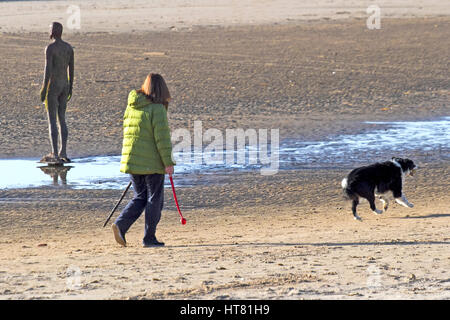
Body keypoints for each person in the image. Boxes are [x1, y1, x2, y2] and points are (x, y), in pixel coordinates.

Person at [112, 73, 176, 248]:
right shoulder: (157, 110)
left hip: (132, 159)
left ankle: (121, 225)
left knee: (140, 197)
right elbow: (162, 139)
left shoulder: (132, 107)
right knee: (155, 199)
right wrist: (168, 163)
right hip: (152, 162)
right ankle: (149, 238)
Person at [40, 22, 74, 163]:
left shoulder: (50, 48)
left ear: (53, 32)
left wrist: (43, 88)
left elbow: (48, 70)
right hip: (64, 85)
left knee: (52, 120)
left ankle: (55, 152)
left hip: (53, 86)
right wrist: (70, 87)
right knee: (62, 119)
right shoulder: (68, 48)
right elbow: (71, 70)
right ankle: (63, 151)